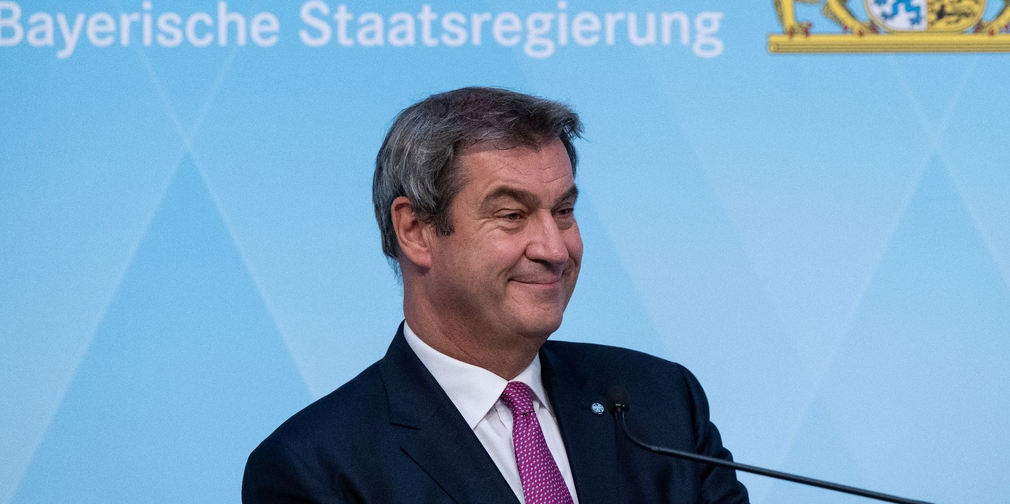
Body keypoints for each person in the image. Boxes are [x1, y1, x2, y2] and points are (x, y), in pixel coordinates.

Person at [242, 87, 750, 504]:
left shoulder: (659, 402)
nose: (555, 248)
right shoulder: (315, 468)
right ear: (415, 229)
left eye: (565, 212)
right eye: (512, 215)